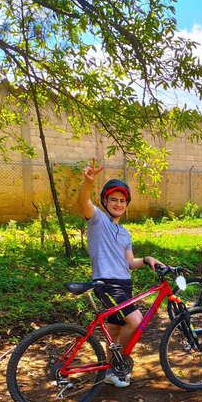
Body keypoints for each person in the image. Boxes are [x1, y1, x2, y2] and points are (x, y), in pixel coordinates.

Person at [77, 161, 164, 387]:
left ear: (126, 205)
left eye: (122, 200)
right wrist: (88, 182)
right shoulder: (97, 219)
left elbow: (129, 263)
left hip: (124, 285)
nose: (118, 204)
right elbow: (83, 200)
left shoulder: (125, 233)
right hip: (107, 284)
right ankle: (120, 363)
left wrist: (146, 260)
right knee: (135, 320)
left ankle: (110, 373)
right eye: (113, 199)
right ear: (105, 201)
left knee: (115, 330)